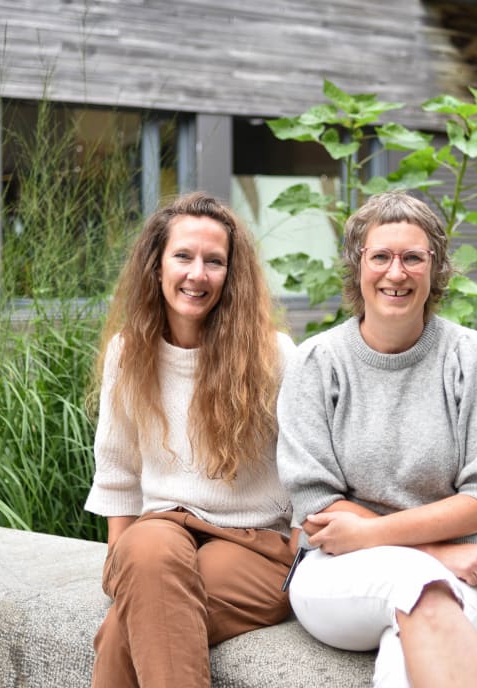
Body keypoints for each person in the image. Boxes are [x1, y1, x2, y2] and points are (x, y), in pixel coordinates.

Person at [276, 190, 477, 687]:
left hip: (468, 571)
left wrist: (376, 535)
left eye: (413, 258)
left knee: (404, 653)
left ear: (436, 270)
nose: (396, 272)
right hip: (337, 571)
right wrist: (431, 554)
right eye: (381, 256)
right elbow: (317, 505)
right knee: (419, 583)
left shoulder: (471, 358)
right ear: (357, 267)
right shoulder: (317, 363)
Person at [84, 192, 297, 688]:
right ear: (156, 266)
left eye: (214, 261)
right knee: (149, 551)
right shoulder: (127, 354)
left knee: (124, 630)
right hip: (159, 535)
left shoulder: (274, 356)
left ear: (232, 274)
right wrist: (119, 567)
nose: (197, 274)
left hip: (254, 546)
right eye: (183, 256)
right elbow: (118, 471)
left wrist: (302, 560)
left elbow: (308, 469)